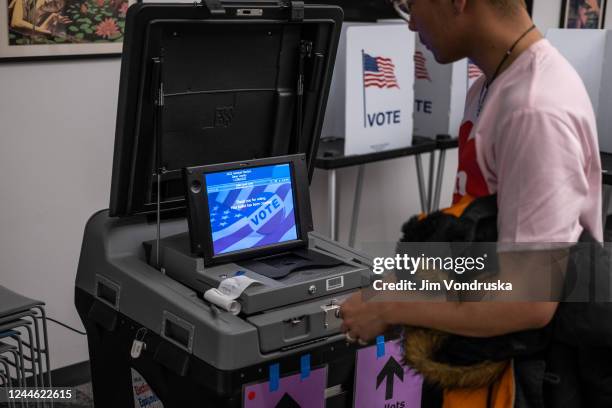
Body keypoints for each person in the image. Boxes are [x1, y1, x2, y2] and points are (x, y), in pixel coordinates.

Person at [340, 0, 603, 405]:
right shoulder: (491, 87)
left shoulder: (535, 107)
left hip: (522, 377)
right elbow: (481, 241)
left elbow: (530, 302)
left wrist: (392, 305)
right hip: (481, 360)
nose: (412, 25)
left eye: (414, 5)